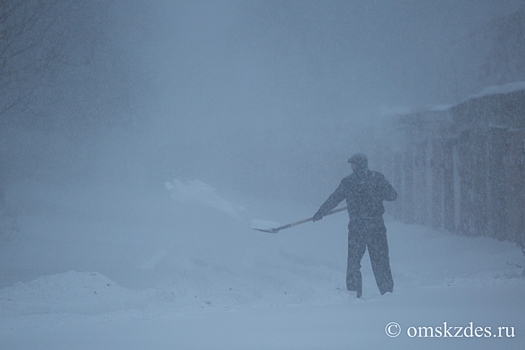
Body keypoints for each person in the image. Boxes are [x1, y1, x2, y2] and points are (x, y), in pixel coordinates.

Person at [313, 153, 397, 298]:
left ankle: (353, 293)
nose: (351, 167)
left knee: (353, 262)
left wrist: (321, 212)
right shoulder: (377, 178)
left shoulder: (348, 182)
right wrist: (376, 194)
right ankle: (387, 292)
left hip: (358, 227)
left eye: (352, 164)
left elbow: (335, 198)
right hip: (376, 225)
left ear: (356, 165)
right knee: (380, 261)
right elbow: (392, 195)